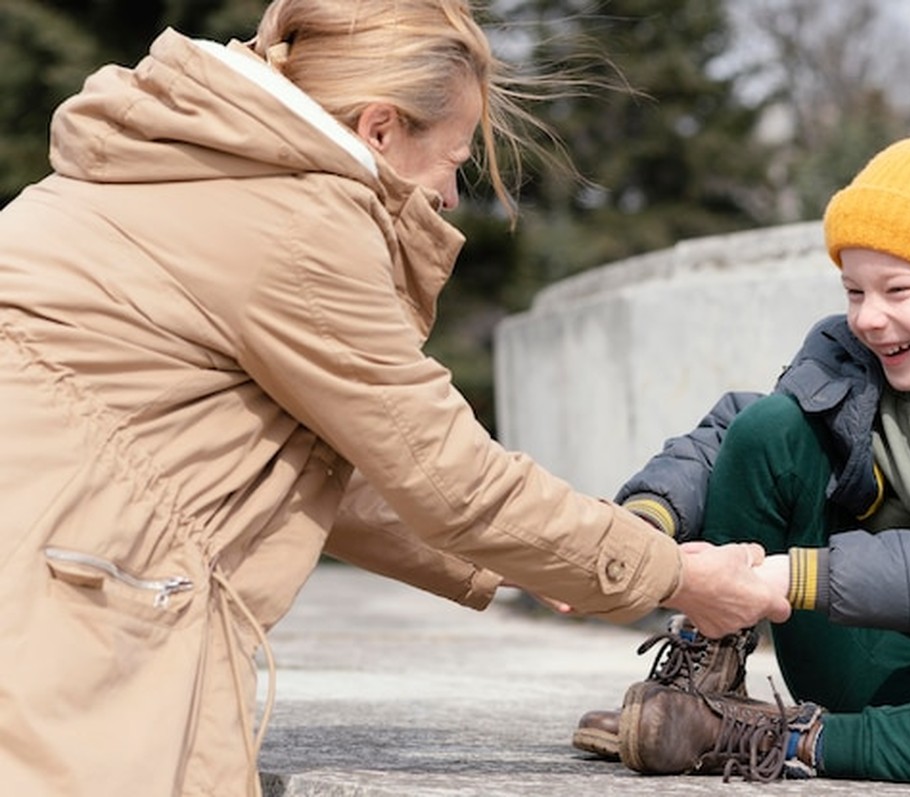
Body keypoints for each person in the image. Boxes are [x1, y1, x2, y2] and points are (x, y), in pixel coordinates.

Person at [0, 2, 790, 795]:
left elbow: (329, 463)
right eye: (452, 159)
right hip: (58, 618)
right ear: (379, 129)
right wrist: (676, 578)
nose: (448, 196)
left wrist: (545, 559)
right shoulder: (296, 219)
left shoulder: (199, 165)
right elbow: (447, 475)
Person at [572, 132, 910, 787]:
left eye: (897, 289)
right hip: (845, 640)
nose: (868, 317)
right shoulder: (849, 356)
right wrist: (642, 521)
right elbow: (732, 436)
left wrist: (787, 577)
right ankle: (701, 683)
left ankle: (768, 734)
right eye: (854, 291)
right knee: (770, 424)